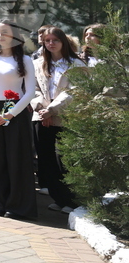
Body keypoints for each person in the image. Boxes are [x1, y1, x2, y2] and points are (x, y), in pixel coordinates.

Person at [0, 19, 37, 220]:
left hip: (15, 112)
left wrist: (10, 114)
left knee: (16, 159)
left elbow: (29, 91)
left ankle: (17, 206)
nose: (0, 36)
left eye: (4, 32)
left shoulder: (25, 60)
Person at [31, 26, 84, 214]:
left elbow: (74, 91)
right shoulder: (37, 64)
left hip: (66, 116)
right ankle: (59, 198)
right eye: (47, 41)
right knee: (46, 160)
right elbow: (33, 89)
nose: (51, 43)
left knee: (65, 160)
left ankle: (71, 200)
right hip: (41, 116)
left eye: (55, 40)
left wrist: (52, 110)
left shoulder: (76, 64)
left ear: (63, 42)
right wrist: (42, 109)